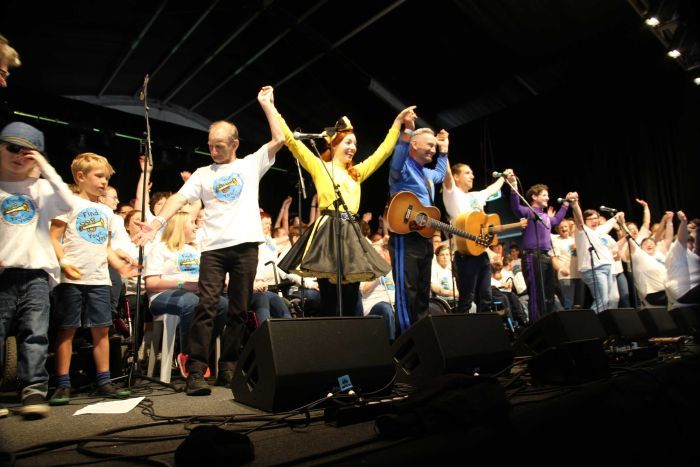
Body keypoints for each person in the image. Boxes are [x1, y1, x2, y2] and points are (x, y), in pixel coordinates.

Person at [134, 86, 283, 396]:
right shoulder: (203, 174)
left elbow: (279, 139)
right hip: (213, 250)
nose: (214, 151)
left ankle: (228, 367)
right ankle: (197, 370)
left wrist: (267, 105)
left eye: (219, 146)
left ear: (234, 144)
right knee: (206, 306)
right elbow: (178, 198)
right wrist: (157, 222)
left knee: (239, 311)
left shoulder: (249, 164)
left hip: (246, 247)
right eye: (211, 146)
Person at [277, 103, 417, 317]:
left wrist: (398, 124)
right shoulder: (320, 166)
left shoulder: (356, 173)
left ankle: (352, 341)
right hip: (328, 235)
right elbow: (290, 140)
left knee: (352, 299)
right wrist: (271, 107)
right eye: (348, 142)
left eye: (355, 144)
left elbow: (383, 152)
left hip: (351, 233)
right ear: (333, 144)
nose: (353, 147)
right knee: (331, 301)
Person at [49, 152, 139, 405]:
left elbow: (106, 247)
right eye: (99, 176)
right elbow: (53, 237)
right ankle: (62, 383)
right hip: (72, 281)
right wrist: (64, 262)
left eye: (106, 177)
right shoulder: (68, 204)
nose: (103, 182)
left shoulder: (106, 212)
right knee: (67, 330)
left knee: (101, 330)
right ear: (80, 176)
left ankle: (104, 380)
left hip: (99, 279)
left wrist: (121, 267)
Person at [0, 122, 74, 418]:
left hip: (36, 275)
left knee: (36, 334)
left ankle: (34, 390)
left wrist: (42, 163)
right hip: (3, 274)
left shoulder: (41, 189)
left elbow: (68, 201)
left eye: (27, 151)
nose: (20, 155)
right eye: (12, 148)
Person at [144, 211, 228, 379]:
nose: (196, 225)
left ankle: (202, 354)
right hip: (164, 295)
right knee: (189, 301)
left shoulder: (196, 250)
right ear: (180, 226)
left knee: (222, 304)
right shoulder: (160, 248)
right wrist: (183, 284)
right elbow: (151, 283)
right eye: (192, 222)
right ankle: (187, 354)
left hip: (195, 294)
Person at [388, 120, 448, 333]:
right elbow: (397, 157)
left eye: (434, 146)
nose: (433, 149)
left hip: (425, 238)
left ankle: (422, 338)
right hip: (405, 236)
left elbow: (440, 174)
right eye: (429, 145)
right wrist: (408, 130)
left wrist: (444, 151)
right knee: (407, 292)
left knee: (422, 293)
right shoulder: (403, 168)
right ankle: (406, 343)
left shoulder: (427, 174)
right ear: (414, 144)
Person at [442, 162, 510, 313]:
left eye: (472, 173)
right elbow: (446, 174)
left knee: (486, 297)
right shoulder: (452, 194)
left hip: (482, 255)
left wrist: (503, 177)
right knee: (466, 300)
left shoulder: (474, 196)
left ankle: (484, 333)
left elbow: (491, 189)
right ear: (456, 177)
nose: (472, 176)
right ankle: (464, 334)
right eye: (467, 173)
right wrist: (444, 151)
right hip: (465, 256)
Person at [506, 173, 575, 321]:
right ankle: (536, 324)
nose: (548, 198)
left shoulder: (545, 217)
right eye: (544, 195)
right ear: (534, 197)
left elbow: (556, 220)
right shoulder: (528, 212)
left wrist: (566, 203)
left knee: (549, 292)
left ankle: (548, 321)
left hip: (546, 256)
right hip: (532, 256)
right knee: (536, 293)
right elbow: (515, 206)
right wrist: (513, 186)